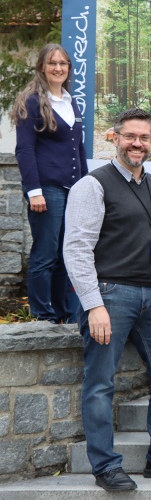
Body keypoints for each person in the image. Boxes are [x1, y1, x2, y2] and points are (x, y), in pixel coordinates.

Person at [63, 108, 151, 491]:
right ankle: (105, 466)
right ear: (115, 137)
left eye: (145, 137)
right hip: (110, 294)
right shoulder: (92, 186)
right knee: (100, 382)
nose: (138, 144)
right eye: (131, 137)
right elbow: (76, 249)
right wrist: (93, 305)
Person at [12, 43, 87, 324]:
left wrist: (85, 186)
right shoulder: (31, 101)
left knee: (66, 254)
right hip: (47, 190)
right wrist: (34, 191)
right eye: (52, 63)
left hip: (72, 190)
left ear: (69, 68)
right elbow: (25, 150)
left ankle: (64, 314)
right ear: (42, 67)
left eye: (63, 63)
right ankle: (43, 315)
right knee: (45, 254)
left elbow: (78, 148)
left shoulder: (71, 101)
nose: (58, 68)